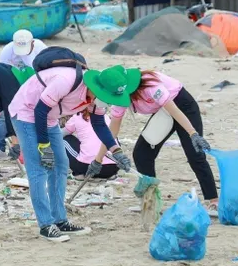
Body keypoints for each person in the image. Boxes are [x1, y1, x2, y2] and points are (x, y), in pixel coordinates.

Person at [8, 64, 116, 241]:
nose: (105, 100)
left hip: (49, 117)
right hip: (26, 111)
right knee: (38, 167)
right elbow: (39, 110)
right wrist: (44, 146)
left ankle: (59, 220)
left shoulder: (97, 98)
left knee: (61, 165)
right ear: (94, 87)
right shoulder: (65, 81)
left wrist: (115, 150)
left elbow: (99, 124)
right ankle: (45, 225)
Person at [89, 66, 217, 211]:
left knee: (195, 154)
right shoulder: (119, 96)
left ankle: (214, 200)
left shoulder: (150, 86)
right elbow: (113, 130)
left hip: (182, 107)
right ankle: (150, 202)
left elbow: (174, 110)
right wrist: (98, 159)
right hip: (163, 113)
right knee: (141, 154)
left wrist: (193, 134)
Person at [62, 112, 119, 180]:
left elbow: (61, 134)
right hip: (112, 168)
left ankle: (79, 173)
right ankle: (110, 175)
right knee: (114, 137)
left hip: (87, 168)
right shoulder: (105, 116)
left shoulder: (77, 117)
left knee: (65, 140)